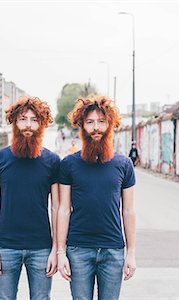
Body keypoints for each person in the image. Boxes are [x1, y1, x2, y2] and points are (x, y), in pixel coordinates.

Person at [57, 95, 137, 299]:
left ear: (110, 125)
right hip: (78, 249)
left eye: (102, 122)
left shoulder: (124, 164)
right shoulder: (68, 164)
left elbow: (128, 211)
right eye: (90, 122)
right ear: (82, 126)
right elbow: (63, 209)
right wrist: (60, 252)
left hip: (113, 250)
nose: (96, 128)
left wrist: (131, 253)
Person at [0, 96, 60, 300]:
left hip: (42, 247)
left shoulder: (53, 162)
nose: (28, 125)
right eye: (23, 119)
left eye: (34, 120)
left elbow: (57, 207)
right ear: (14, 122)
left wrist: (56, 249)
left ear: (42, 124)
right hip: (6, 246)